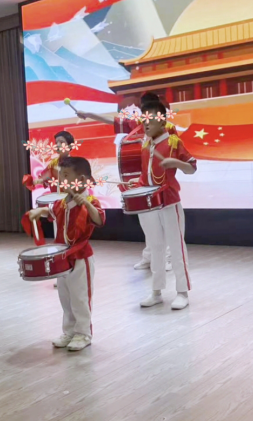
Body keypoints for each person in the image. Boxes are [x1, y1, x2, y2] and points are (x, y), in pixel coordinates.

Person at [75, 92, 174, 271]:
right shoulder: (136, 124)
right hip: (141, 181)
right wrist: (88, 114)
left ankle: (166, 257)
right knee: (146, 220)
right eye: (144, 109)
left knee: (160, 220)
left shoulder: (166, 128)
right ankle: (149, 256)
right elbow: (111, 120)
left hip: (160, 180)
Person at [28, 157, 105, 351]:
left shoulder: (91, 201)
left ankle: (83, 333)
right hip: (62, 257)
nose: (61, 180)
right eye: (60, 175)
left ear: (81, 179)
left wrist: (86, 204)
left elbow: (99, 220)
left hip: (81, 257)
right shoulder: (62, 202)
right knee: (66, 297)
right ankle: (69, 331)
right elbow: (51, 211)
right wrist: (39, 211)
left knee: (80, 297)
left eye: (66, 175)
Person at [135, 100, 196, 310]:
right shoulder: (145, 145)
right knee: (156, 248)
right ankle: (156, 291)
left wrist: (176, 163)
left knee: (176, 247)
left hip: (169, 201)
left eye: (151, 118)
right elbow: (145, 176)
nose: (146, 123)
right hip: (149, 204)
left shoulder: (173, 142)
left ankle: (182, 292)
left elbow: (192, 168)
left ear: (163, 121)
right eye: (143, 119)